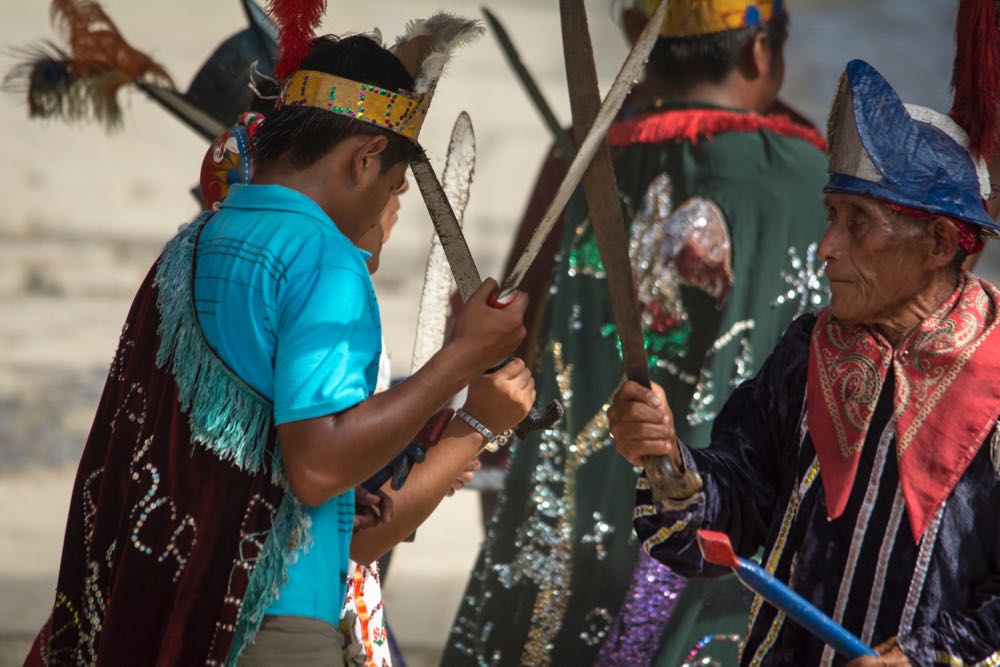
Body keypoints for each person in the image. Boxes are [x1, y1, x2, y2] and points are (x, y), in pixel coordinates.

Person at [23, 12, 531, 666]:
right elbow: (318, 466)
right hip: (270, 627)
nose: (386, 206)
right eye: (393, 185)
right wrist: (464, 354)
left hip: (171, 616)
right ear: (365, 158)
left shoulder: (190, 248)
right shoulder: (324, 261)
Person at [444, 1, 829, 665]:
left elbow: (508, 342)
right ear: (759, 52)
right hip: (721, 549)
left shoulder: (586, 150)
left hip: (570, 534)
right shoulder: (807, 178)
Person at [611, 58, 1000, 665]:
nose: (826, 248)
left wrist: (923, 657)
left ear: (939, 244)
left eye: (858, 223)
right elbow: (737, 502)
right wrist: (669, 463)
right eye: (831, 215)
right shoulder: (808, 350)